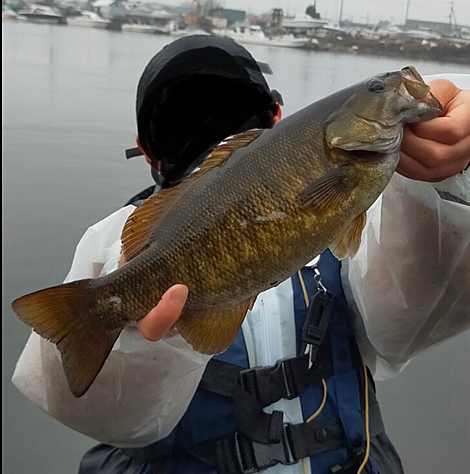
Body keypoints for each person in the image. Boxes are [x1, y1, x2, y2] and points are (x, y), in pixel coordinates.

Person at [12, 35, 470, 474]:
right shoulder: (112, 253)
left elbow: (429, 297)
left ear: (148, 151)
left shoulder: (368, 239)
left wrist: (454, 177)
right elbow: (89, 409)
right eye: (183, 121)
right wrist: (131, 334)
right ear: (275, 114)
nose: (208, 132)